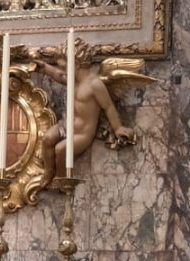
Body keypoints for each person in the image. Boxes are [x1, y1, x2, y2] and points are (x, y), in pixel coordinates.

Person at [35, 39, 136, 185]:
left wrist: (118, 127)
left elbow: (108, 106)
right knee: (47, 139)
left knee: (60, 149)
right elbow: (58, 75)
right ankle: (48, 172)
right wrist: (44, 67)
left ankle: (62, 178)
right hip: (66, 125)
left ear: (75, 65)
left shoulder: (94, 84)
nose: (63, 71)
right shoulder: (73, 80)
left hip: (82, 134)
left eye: (65, 67)